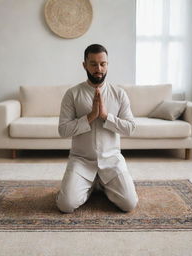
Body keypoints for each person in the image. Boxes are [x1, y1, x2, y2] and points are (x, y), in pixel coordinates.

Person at [56, 44, 138, 213]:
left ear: (107, 64)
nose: (98, 68)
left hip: (112, 160)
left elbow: (130, 128)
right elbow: (63, 130)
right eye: (93, 64)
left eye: (103, 64)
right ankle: (90, 185)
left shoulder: (119, 94)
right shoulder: (72, 94)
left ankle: (102, 184)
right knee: (65, 205)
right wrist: (91, 116)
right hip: (81, 160)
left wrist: (105, 116)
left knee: (129, 204)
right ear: (84, 65)